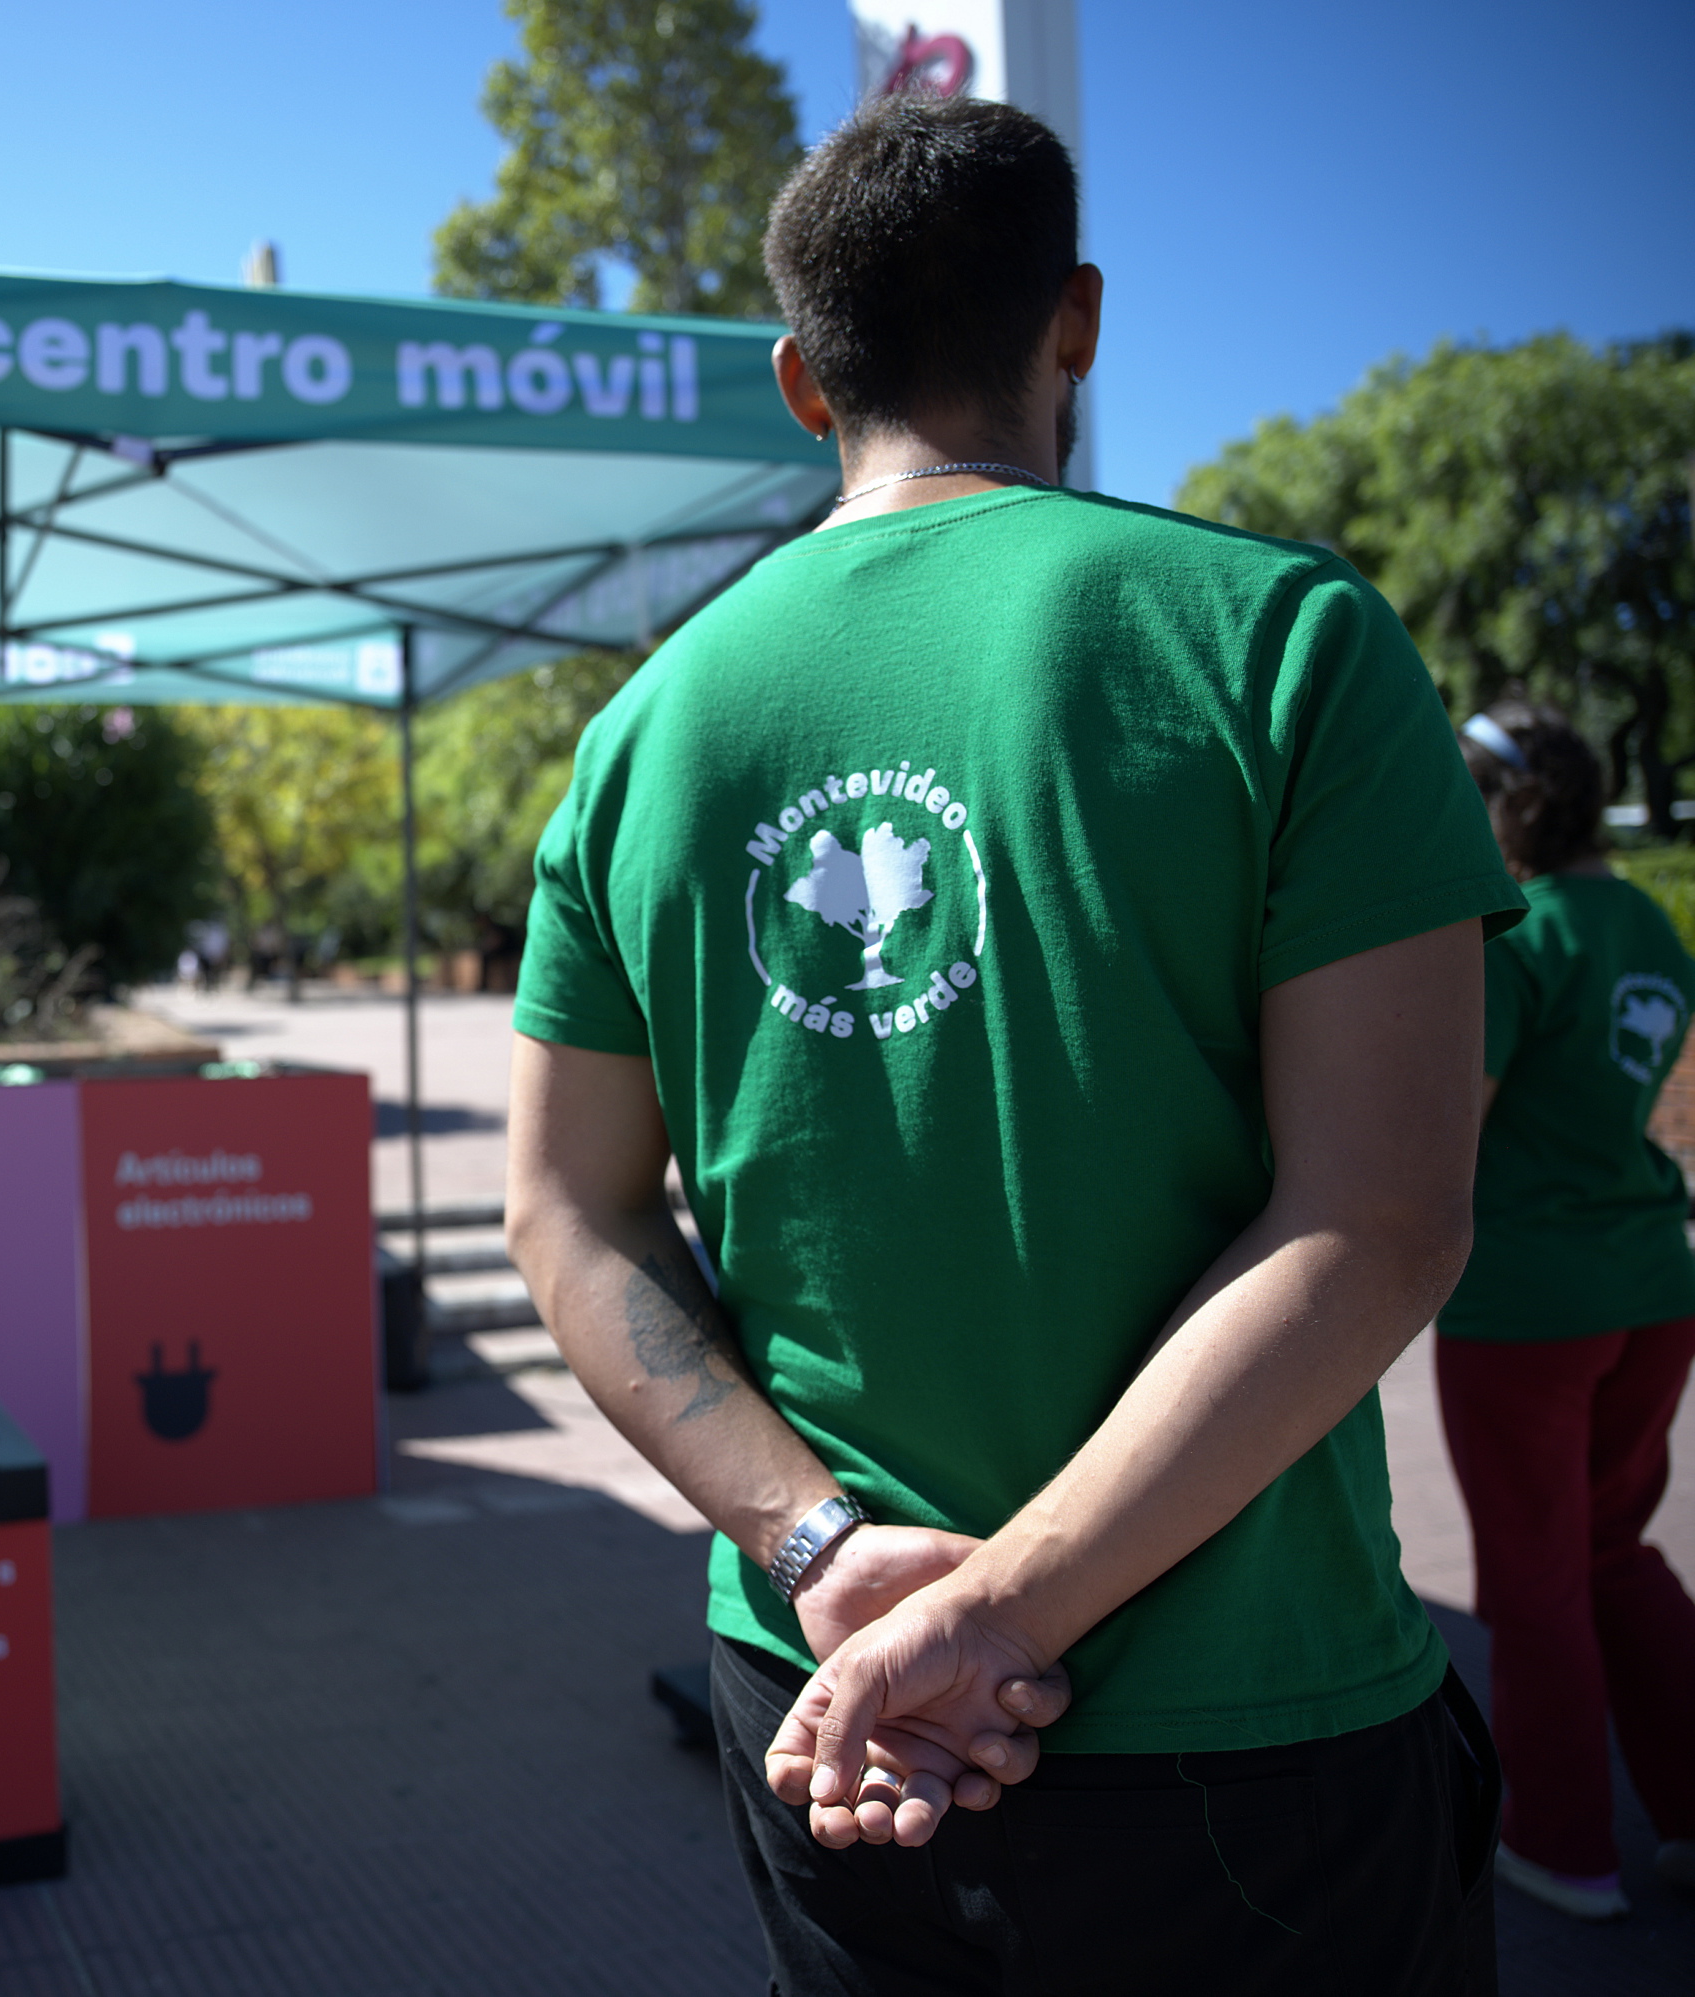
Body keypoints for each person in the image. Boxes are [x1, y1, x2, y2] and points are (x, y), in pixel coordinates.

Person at [504, 91, 1523, 1993]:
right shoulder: (1280, 641)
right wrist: (998, 1613)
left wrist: (822, 1552)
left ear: (803, 381)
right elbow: (1385, 1215)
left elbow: (566, 1214)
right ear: (1079, 321)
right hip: (1239, 1717)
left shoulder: (644, 731)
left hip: (825, 1699)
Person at [1436, 700, 1695, 1921]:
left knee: (1534, 1577)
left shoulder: (1515, 934)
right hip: (1651, 1284)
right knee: (1614, 1551)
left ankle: (1562, 1844)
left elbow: (1446, 1131)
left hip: (1529, 1305)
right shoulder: (1645, 921)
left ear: (1514, 802)